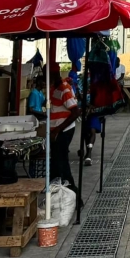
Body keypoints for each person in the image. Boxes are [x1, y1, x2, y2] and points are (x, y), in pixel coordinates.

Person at [48, 59, 81, 195]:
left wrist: (58, 129)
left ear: (53, 74)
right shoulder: (54, 88)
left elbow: (75, 112)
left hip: (63, 130)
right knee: (55, 163)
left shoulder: (64, 89)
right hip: (55, 130)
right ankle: (56, 193)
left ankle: (73, 193)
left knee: (61, 163)